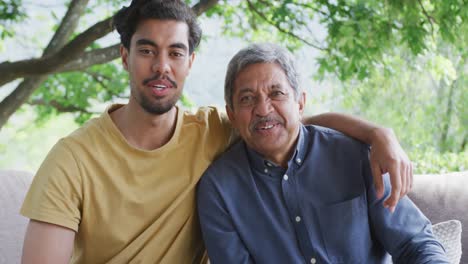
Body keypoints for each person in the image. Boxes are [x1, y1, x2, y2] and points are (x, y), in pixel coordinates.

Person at [21, 1, 412, 263]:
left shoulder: (210, 130)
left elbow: (286, 124)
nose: (161, 66)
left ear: (189, 63)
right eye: (146, 50)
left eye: (175, 52)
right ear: (124, 57)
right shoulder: (72, 159)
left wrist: (379, 135)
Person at [197, 43, 448, 263]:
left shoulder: (354, 155)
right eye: (247, 99)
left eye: (277, 93)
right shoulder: (219, 189)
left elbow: (415, 244)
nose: (263, 109)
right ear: (231, 115)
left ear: (300, 103)